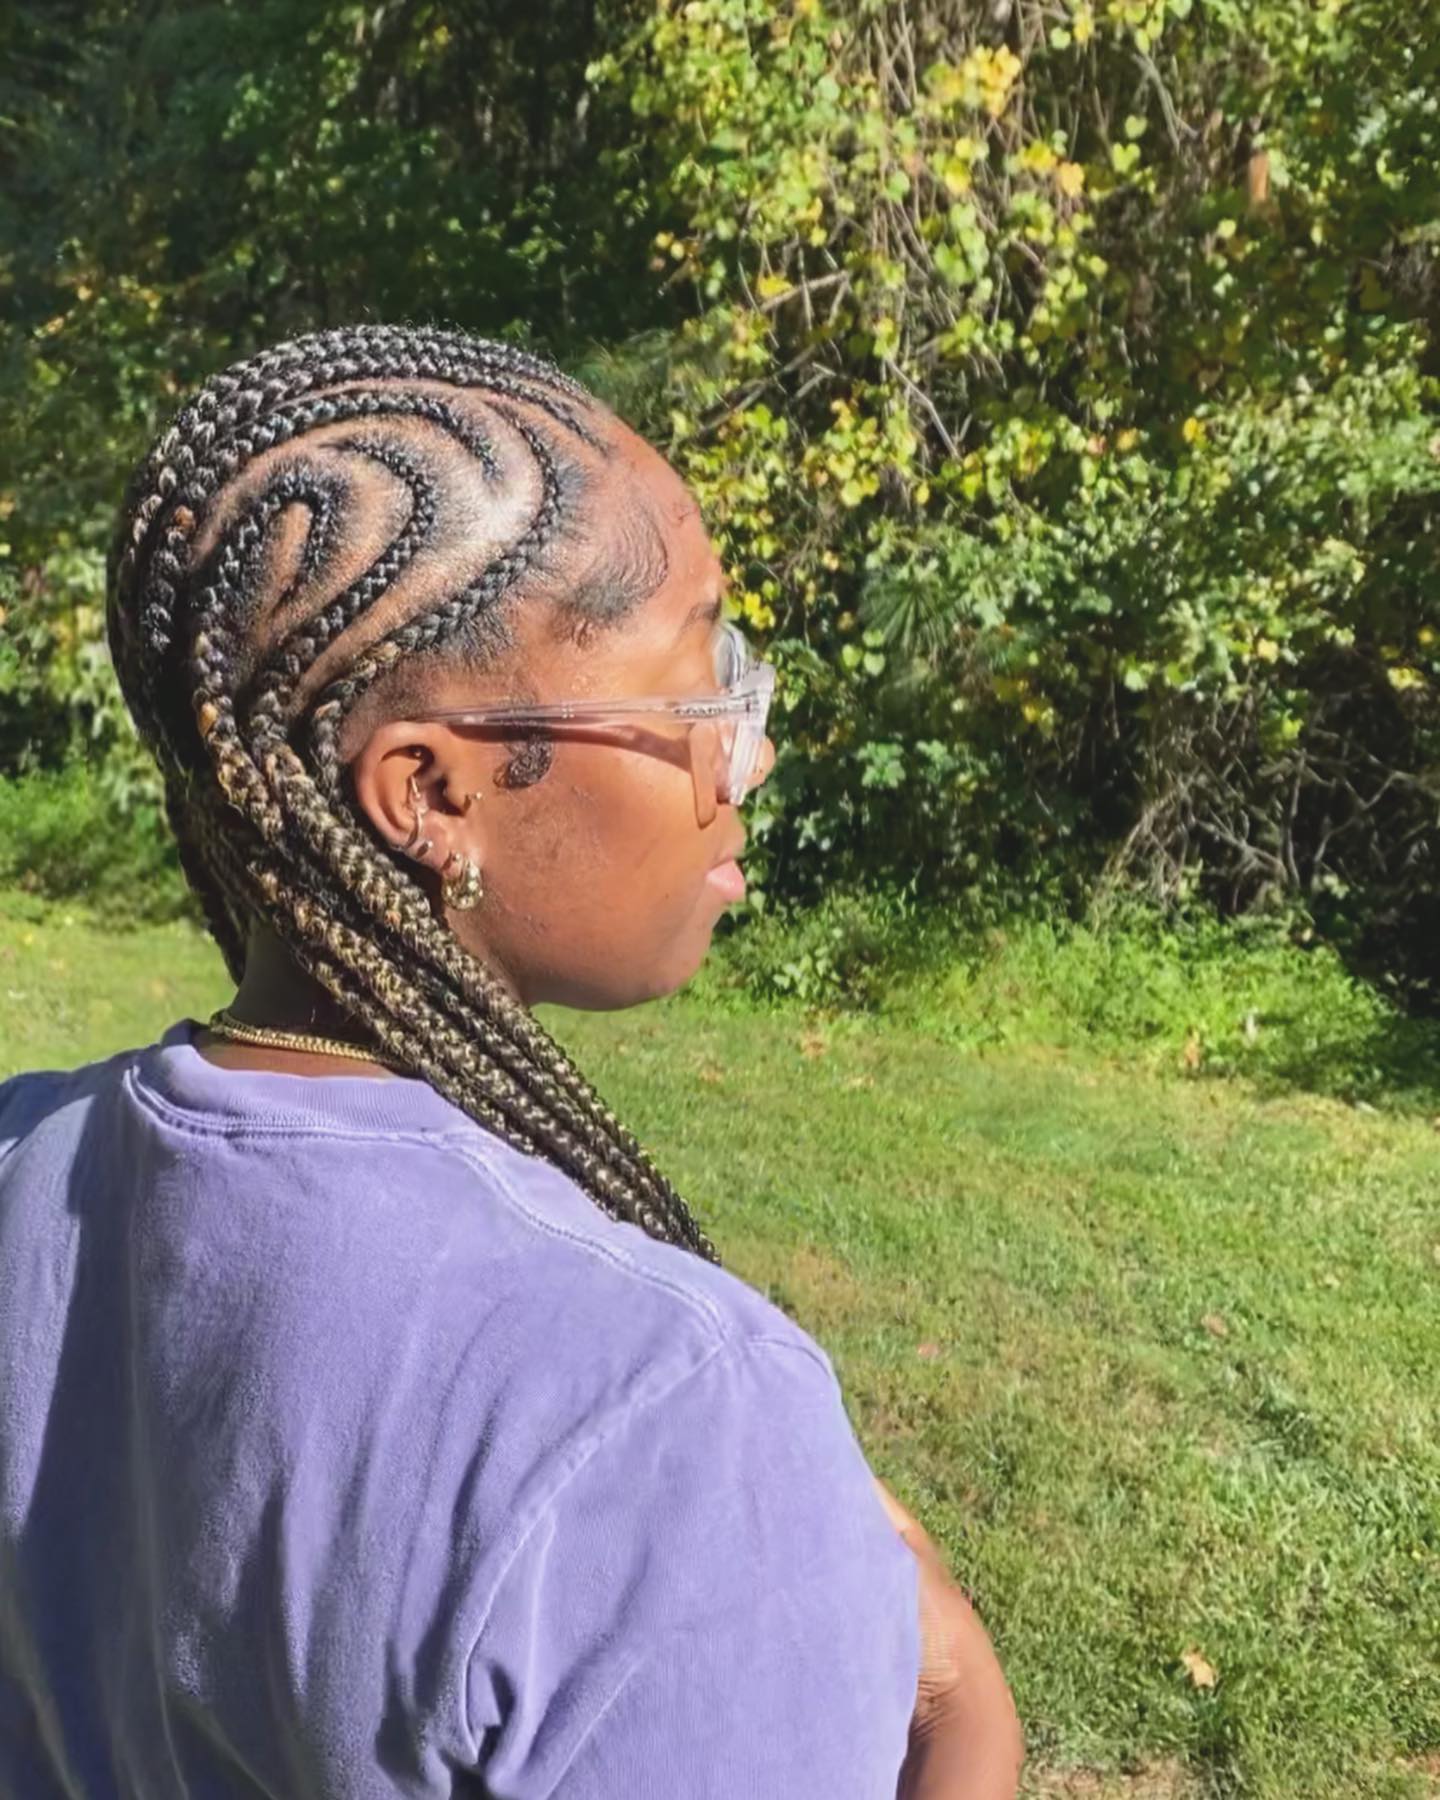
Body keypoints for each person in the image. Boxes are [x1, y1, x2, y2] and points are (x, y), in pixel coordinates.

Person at [0, 324, 1022, 1798]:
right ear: (430, 793)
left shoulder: (27, 1160)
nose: (752, 753)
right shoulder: (662, 1414)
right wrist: (963, 1708)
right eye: (701, 688)